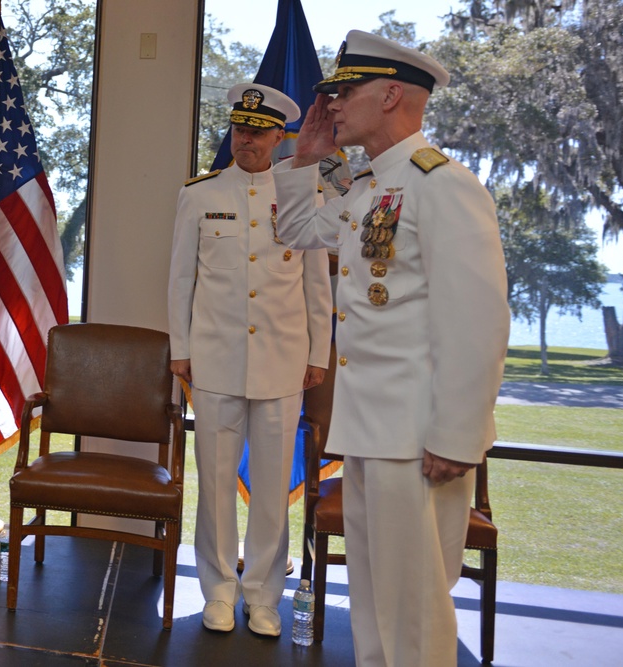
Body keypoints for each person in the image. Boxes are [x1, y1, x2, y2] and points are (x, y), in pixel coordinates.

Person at [272, 31, 510, 666]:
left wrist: (457, 436)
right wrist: (307, 158)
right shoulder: (371, 189)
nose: (334, 104)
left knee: (416, 615)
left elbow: (478, 321)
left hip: (417, 440)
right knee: (376, 610)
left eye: (347, 92)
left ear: (392, 95)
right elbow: (297, 228)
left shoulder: (444, 186)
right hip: (370, 431)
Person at [168, 83, 333, 637]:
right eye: (240, 129)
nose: (247, 140)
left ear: (280, 137)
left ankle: (263, 595)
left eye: (258, 132)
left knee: (270, 489)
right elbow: (181, 279)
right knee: (214, 485)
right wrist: (181, 350)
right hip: (214, 360)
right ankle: (217, 590)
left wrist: (318, 354)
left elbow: (317, 285)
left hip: (283, 363)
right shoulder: (199, 193)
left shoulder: (301, 196)